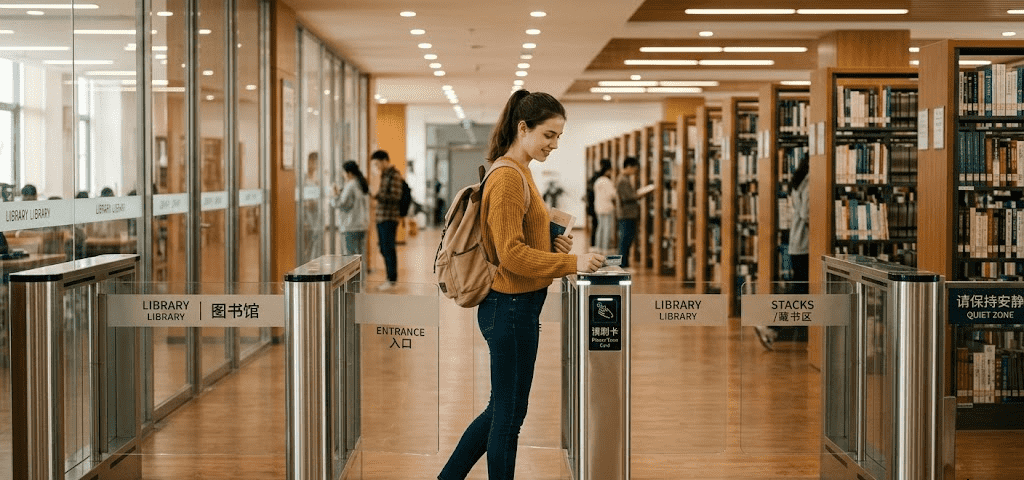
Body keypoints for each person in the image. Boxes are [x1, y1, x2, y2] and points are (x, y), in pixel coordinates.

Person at [438, 90, 604, 480]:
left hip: (518, 307)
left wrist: (551, 245)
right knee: (508, 417)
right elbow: (511, 255)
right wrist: (571, 262)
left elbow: (514, 242)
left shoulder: (519, 170)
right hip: (509, 307)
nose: (555, 144)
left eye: (559, 136)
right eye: (549, 134)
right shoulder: (510, 177)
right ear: (522, 128)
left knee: (503, 410)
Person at [756, 156, 809, 350]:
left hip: (800, 243)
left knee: (801, 291)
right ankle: (770, 326)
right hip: (806, 244)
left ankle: (778, 328)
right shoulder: (811, 180)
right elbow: (808, 212)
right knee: (799, 291)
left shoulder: (800, 180)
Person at [371, 149, 402, 290]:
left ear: (384, 160)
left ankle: (392, 279)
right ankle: (389, 278)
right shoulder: (384, 175)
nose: (377, 167)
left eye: (377, 164)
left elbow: (396, 197)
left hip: (389, 217)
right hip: (381, 217)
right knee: (384, 248)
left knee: (388, 248)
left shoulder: (394, 175)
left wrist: (377, 196)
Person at [332, 160, 370, 273]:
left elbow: (341, 204)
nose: (343, 175)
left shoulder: (350, 185)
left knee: (350, 259)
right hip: (362, 225)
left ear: (349, 173)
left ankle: (352, 287)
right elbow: (350, 203)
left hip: (351, 226)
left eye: (343, 172)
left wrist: (334, 195)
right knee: (359, 257)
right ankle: (361, 284)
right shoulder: (361, 183)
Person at [615, 156, 651, 268]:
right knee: (626, 239)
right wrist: (643, 193)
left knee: (626, 239)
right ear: (629, 167)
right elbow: (629, 197)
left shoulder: (623, 179)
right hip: (627, 214)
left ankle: (624, 263)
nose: (636, 171)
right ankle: (623, 264)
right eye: (635, 168)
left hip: (627, 213)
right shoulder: (623, 180)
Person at [585, 158, 612, 248]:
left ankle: (596, 246)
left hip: (596, 205)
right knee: (605, 228)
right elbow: (611, 194)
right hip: (603, 206)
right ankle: (603, 248)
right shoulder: (605, 180)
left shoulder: (596, 178)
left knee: (598, 227)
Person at [593, 166, 616, 254]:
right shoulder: (607, 181)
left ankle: (598, 247)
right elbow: (613, 194)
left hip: (598, 207)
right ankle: (605, 249)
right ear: (607, 171)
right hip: (607, 207)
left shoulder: (598, 181)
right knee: (607, 229)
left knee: (600, 228)